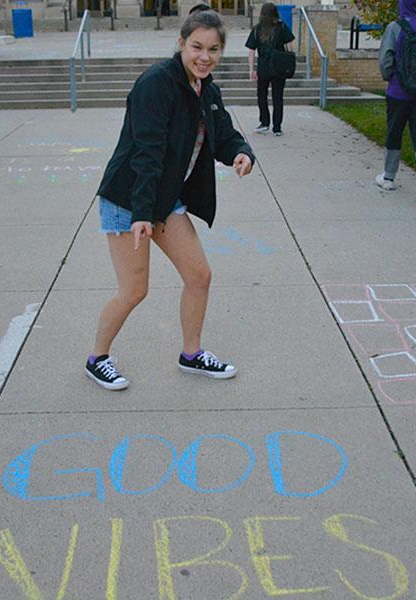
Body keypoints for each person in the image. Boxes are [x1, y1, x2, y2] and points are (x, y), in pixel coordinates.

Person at [86, 10, 255, 391]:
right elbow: (147, 154)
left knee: (200, 276)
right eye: (197, 47)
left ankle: (191, 354)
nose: (204, 56)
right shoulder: (156, 85)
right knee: (134, 291)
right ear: (181, 44)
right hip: (129, 199)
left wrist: (241, 152)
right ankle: (97, 358)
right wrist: (142, 213)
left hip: (163, 198)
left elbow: (224, 132)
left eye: (213, 49)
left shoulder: (206, 87)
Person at [375, 0, 416, 205]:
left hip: (399, 92)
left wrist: (389, 78)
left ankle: (388, 177)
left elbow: (386, 59)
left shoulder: (395, 28)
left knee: (395, 131)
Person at [245, 2, 295, 137]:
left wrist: (251, 69)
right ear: (275, 13)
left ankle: (264, 122)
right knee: (278, 97)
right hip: (279, 68)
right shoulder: (282, 27)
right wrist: (289, 62)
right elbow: (290, 46)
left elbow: (251, 50)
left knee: (262, 95)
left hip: (263, 67)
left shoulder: (257, 29)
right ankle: (277, 127)